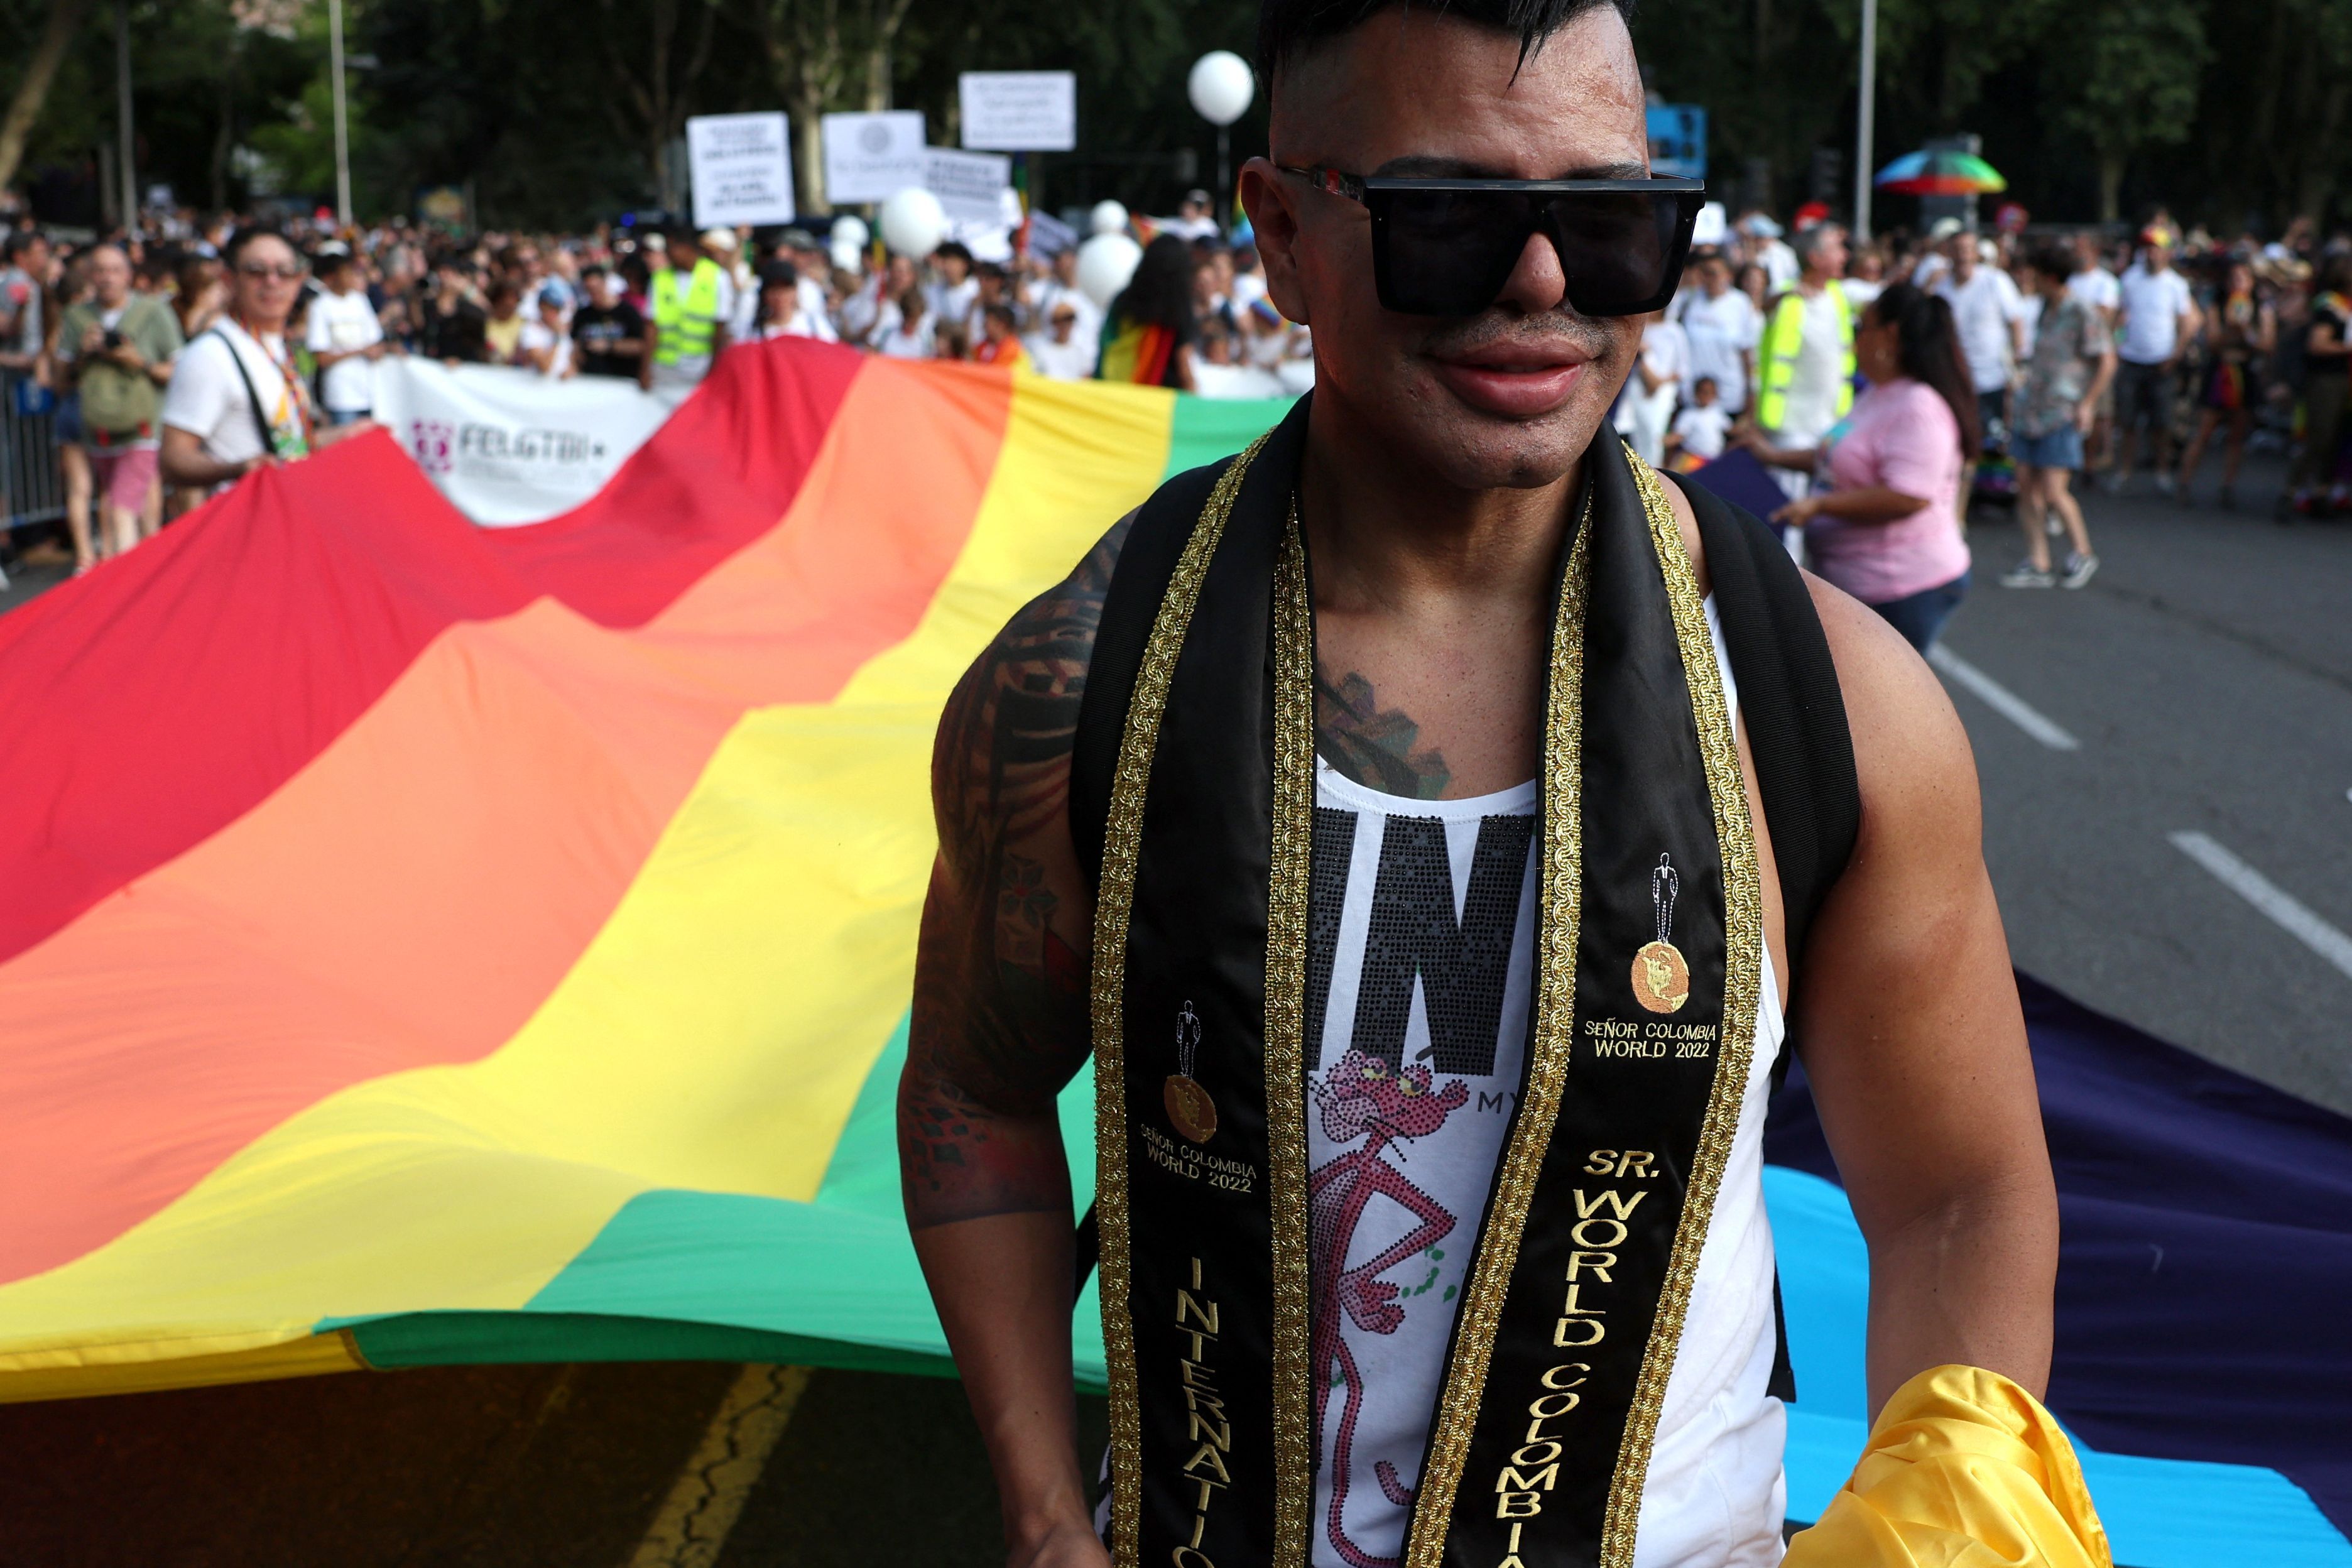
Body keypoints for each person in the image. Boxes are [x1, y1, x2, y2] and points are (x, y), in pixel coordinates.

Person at [903, 8, 2074, 1568]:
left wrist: (1943, 1520)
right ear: (1280, 233)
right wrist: (1046, 1514)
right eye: (1446, 217)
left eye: (1608, 222)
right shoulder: (1082, 678)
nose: (1540, 282)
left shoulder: (1831, 705)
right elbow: (974, 1091)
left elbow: (1955, 1187)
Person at [1760, 283, 1978, 652]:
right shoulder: (1878, 392)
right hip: (1859, 582)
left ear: (1888, 336)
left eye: (1861, 327)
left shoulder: (1919, 407)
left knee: (1884, 701)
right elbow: (1839, 458)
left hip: (1901, 586)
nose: (1853, 339)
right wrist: (1772, 455)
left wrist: (1820, 506)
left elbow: (1908, 497)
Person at [160, 227, 371, 494]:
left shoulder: (276, 347)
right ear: (229, 279)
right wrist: (236, 469)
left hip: (286, 513)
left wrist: (350, 433)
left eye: (285, 272)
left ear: (299, 281)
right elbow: (172, 460)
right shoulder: (210, 355)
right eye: (256, 271)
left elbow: (288, 446)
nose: (273, 282)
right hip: (245, 521)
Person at [55, 244, 181, 563]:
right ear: (89, 276)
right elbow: (59, 377)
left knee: (121, 509)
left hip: (143, 425)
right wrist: (84, 353)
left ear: (129, 275)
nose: (107, 278)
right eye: (100, 270)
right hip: (98, 427)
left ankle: (131, 577)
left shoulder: (154, 312)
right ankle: (146, 568)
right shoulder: (77, 316)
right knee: (126, 506)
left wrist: (138, 361)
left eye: (114, 270)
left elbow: (179, 369)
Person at [2004, 244, 2116, 589]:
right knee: (2026, 485)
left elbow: (2107, 360)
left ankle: (2082, 552)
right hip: (2033, 409)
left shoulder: (2082, 311)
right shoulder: (2044, 309)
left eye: (2033, 272)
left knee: (2054, 491)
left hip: (2061, 411)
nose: (2027, 278)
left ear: (2049, 276)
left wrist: (2088, 403)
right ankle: (2039, 560)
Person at [1752, 222, 1853, 501]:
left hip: (1830, 420)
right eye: (1837, 249)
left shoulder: (1838, 295)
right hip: (1791, 425)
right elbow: (1763, 309)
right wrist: (1781, 296)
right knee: (1787, 503)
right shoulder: (1788, 297)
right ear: (1815, 258)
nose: (1845, 255)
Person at [2175, 259, 2275, 509]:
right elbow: (2212, 342)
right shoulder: (2217, 307)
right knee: (2205, 428)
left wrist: (2246, 335)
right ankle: (2184, 482)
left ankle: (2228, 485)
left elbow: (2267, 344)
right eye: (2234, 278)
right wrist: (2230, 330)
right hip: (2220, 370)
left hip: (2245, 371)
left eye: (2244, 278)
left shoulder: (2261, 308)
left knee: (2237, 433)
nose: (2238, 283)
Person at [2110, 230, 2198, 494]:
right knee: (2127, 421)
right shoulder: (2130, 279)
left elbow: (2186, 322)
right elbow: (2119, 315)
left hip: (2162, 362)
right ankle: (2124, 470)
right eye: (2148, 248)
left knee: (2162, 423)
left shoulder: (2176, 284)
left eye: (2157, 248)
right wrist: (2115, 344)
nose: (2152, 253)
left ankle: (2162, 472)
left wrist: (2176, 354)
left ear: (2167, 252)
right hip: (2131, 359)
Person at [1934, 234, 2027, 449]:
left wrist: (2018, 362)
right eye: (1957, 249)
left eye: (1967, 249)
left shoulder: (1995, 281)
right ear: (1949, 253)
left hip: (1992, 379)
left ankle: (1994, 483)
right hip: (1955, 380)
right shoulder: (1941, 288)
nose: (1962, 255)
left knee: (1994, 443)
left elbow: (2016, 322)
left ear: (1976, 253)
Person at [2284, 253, 2350, 517]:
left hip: (2345, 380)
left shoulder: (2346, 306)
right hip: (2327, 381)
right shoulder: (2329, 306)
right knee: (2319, 438)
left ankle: (2322, 491)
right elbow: (2317, 344)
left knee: (2337, 438)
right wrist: (2347, 348)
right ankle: (2291, 491)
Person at [1094, 233, 1200, 389]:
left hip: (1116, 394)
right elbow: (1184, 368)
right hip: (1161, 404)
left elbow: (1105, 342)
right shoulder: (1179, 308)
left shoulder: (1123, 300)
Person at [646, 231, 734, 401]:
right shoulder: (660, 278)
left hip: (700, 366)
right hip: (665, 368)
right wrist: (646, 368)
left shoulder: (717, 277)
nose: (669, 254)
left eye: (672, 249)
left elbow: (720, 328)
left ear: (686, 248)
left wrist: (715, 368)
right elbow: (651, 326)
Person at [305, 245, 388, 424]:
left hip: (369, 391)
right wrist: (360, 352)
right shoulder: (320, 306)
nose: (352, 277)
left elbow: (375, 341)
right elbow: (321, 358)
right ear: (333, 276)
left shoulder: (360, 301)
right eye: (347, 272)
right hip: (341, 396)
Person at [1675, 250, 1756, 416]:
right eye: (1704, 273)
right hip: (1692, 396)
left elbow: (1747, 351)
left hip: (1729, 396)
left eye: (1713, 273)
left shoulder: (1740, 304)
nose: (1708, 279)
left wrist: (1752, 391)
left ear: (1728, 275)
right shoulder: (1689, 300)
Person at [569, 264, 646, 378]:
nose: (594, 293)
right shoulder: (582, 315)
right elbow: (575, 344)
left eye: (596, 287)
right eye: (589, 289)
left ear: (605, 283)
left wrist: (610, 346)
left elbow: (641, 346)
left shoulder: (627, 312)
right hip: (591, 379)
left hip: (622, 379)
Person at [1025, 298, 1097, 380]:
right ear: (1054, 323)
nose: (1066, 325)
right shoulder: (1041, 352)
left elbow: (1087, 378)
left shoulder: (1080, 353)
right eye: (1062, 321)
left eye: (1070, 320)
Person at [1668, 372, 1732, 462]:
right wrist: (1661, 441)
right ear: (1695, 393)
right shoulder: (1688, 414)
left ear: (1715, 394)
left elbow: (1731, 429)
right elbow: (1678, 436)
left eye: (1709, 393)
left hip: (1713, 460)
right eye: (1703, 392)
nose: (1706, 396)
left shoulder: (1717, 412)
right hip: (1693, 458)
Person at [517, 288, 573, 377]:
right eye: (550, 308)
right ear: (541, 306)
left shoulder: (562, 332)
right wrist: (557, 338)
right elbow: (545, 367)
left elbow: (570, 364)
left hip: (557, 388)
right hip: (532, 387)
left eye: (557, 309)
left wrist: (569, 371)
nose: (554, 313)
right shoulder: (530, 330)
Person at [482, 281, 527, 366]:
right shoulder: (484, 322)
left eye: (514, 298)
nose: (509, 302)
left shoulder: (525, 324)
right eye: (505, 297)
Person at [972, 302, 1027, 368]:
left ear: (1001, 325)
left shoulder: (1013, 349)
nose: (984, 326)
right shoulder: (982, 346)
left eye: (988, 323)